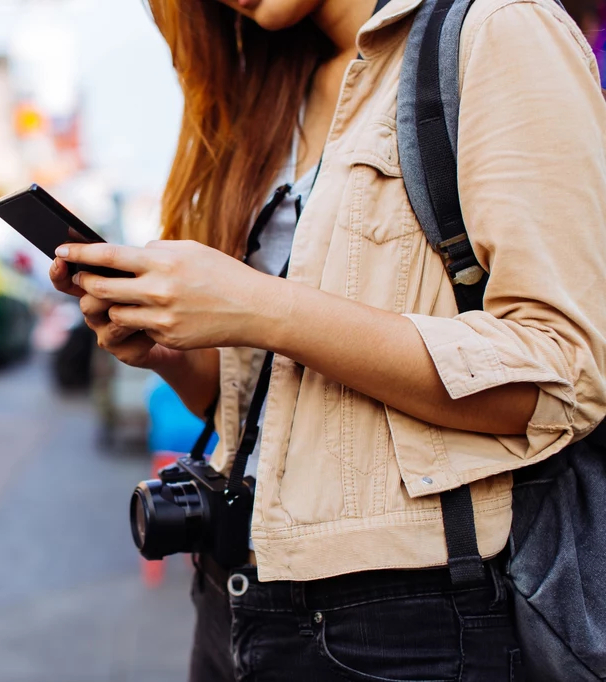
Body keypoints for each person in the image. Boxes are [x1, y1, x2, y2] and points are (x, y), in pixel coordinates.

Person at [49, 0, 606, 679]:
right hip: (233, 594)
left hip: (411, 619)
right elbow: (282, 419)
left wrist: (259, 307)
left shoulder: (496, 29)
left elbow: (565, 377)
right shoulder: (272, 91)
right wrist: (172, 354)